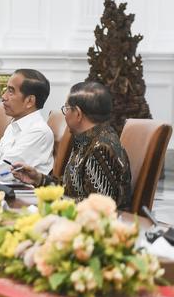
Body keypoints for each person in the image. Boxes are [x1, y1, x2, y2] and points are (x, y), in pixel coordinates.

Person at [14, 82, 133, 210]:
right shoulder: (86, 139)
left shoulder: (100, 148)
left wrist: (55, 203)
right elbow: (69, 189)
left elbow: (97, 207)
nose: (65, 114)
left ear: (77, 113)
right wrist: (38, 178)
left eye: (66, 109)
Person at [0, 69, 54, 179]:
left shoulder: (39, 132)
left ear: (29, 101)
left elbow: (3, 172)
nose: (4, 97)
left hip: (18, 194)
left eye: (11, 91)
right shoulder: (14, 125)